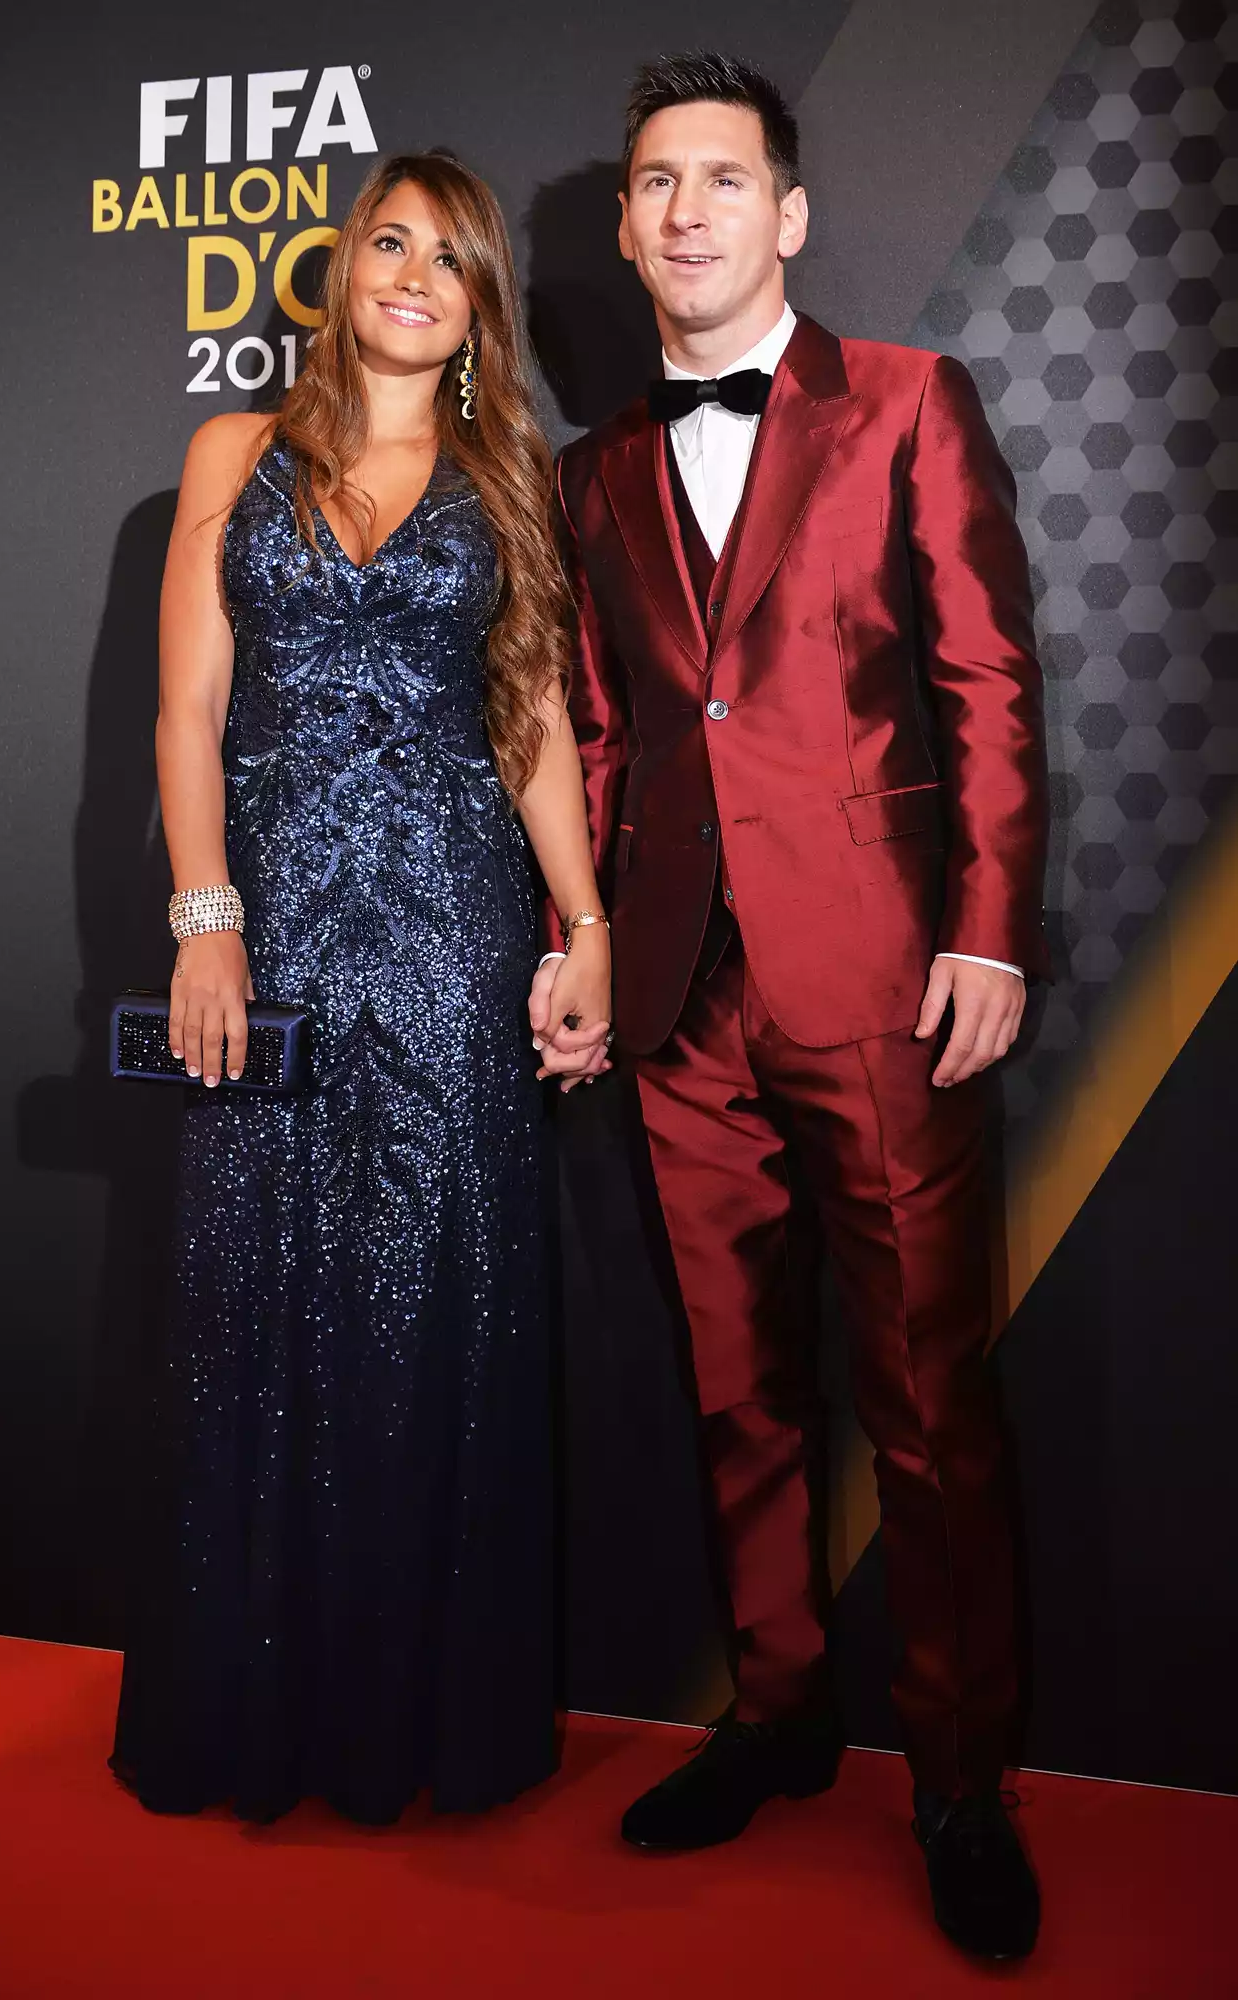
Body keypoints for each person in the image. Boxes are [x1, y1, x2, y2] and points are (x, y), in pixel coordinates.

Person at [531, 53, 1048, 1961]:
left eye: (723, 180)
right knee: (741, 1395)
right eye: (658, 182)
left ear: (789, 214)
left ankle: (964, 1774)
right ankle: (776, 1711)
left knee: (929, 1400)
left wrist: (989, 930)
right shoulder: (591, 473)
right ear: (627, 222)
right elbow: (601, 729)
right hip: (681, 998)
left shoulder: (909, 404)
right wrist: (587, 938)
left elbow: (989, 679)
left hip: (889, 981)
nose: (687, 211)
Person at [111, 150, 611, 1824]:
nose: (412, 274)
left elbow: (526, 719)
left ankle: (419, 1722)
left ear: (480, 311)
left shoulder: (504, 475)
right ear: (341, 262)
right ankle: (262, 1716)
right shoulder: (233, 454)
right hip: (277, 939)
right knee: (265, 1302)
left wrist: (585, 921)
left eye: (450, 261)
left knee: (427, 1316)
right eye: (389, 240)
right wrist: (206, 916)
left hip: (455, 942)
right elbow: (188, 712)